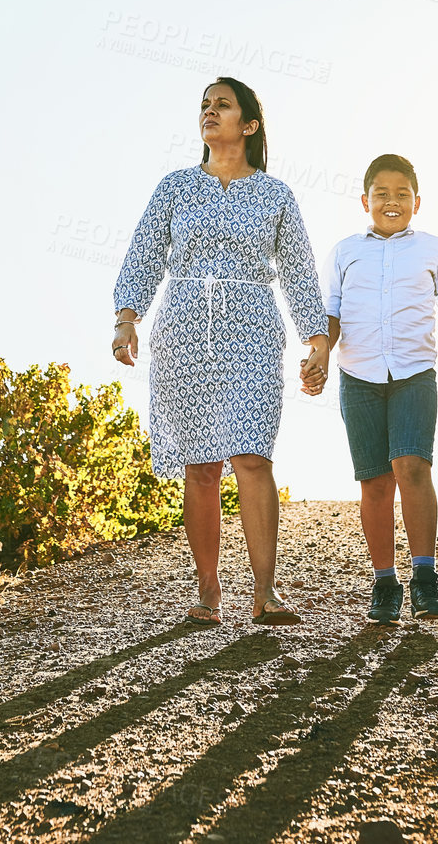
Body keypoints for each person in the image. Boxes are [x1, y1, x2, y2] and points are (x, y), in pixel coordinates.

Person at [112, 78, 330, 626]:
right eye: (204, 106)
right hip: (183, 333)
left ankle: (265, 592)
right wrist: (126, 319)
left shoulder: (276, 195)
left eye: (222, 105)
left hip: (253, 331)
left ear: (249, 124)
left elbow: (299, 271)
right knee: (202, 468)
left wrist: (317, 341)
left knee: (253, 456)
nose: (210, 112)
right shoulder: (175, 188)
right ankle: (208, 591)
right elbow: (144, 253)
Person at [319, 154, 438, 624]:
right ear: (365, 201)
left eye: (401, 194)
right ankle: (384, 583)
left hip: (415, 373)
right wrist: (320, 351)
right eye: (381, 193)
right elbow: (331, 314)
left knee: (412, 467)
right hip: (357, 376)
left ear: (417, 202)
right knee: (375, 482)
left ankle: (425, 579)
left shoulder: (432, 248)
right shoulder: (345, 251)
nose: (391, 201)